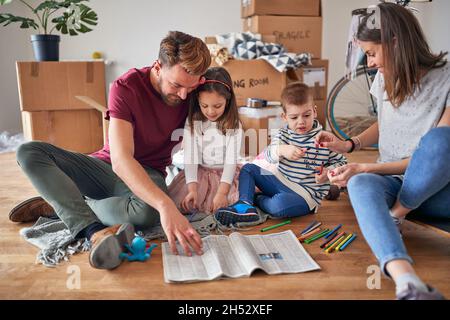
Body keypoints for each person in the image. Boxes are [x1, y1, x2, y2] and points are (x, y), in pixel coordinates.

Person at [10, 31, 212, 269]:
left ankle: (63, 204)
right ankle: (91, 229)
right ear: (158, 67)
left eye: (191, 86)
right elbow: (121, 159)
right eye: (176, 85)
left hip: (150, 171)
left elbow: (223, 99)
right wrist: (166, 205)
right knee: (28, 152)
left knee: (146, 213)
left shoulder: (193, 89)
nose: (183, 95)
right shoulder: (126, 88)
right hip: (107, 166)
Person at [316, 3, 449, 300]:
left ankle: (397, 214)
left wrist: (366, 167)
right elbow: (385, 121)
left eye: (372, 52)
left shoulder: (447, 77)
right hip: (391, 182)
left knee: (441, 141)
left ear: (395, 42)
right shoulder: (384, 75)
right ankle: (407, 282)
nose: (371, 62)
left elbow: (437, 155)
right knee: (361, 183)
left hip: (436, 189)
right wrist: (351, 145)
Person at [215, 82, 347, 226]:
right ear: (284, 117)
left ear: (314, 111)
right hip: (279, 181)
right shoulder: (283, 134)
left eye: (306, 115)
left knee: (279, 206)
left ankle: (257, 200)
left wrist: (328, 172)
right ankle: (244, 205)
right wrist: (282, 150)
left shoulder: (325, 138)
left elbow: (342, 163)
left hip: (304, 195)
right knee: (248, 168)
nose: (301, 122)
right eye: (294, 117)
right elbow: (268, 155)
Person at [168, 67, 243, 214]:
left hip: (224, 177)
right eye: (204, 106)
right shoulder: (194, 120)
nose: (210, 111)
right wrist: (192, 189)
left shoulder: (234, 124)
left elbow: (230, 161)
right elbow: (190, 157)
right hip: (199, 173)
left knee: (230, 204)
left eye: (217, 106)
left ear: (227, 101)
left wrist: (222, 193)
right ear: (198, 101)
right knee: (181, 203)